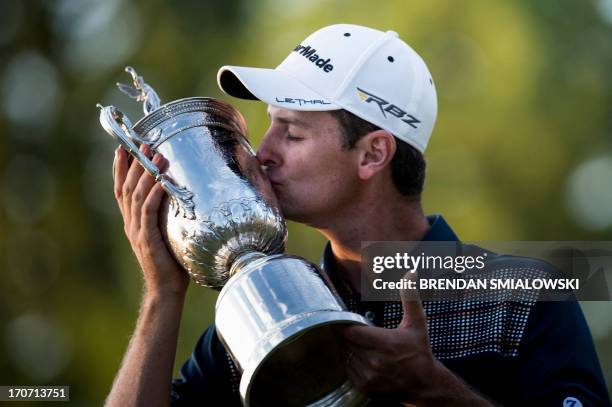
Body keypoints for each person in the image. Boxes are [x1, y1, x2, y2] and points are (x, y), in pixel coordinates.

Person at [104, 24, 610, 406]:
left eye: (293, 132)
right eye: (270, 126)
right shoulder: (261, 310)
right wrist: (161, 294)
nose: (263, 153)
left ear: (373, 154)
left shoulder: (525, 297)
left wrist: (436, 390)